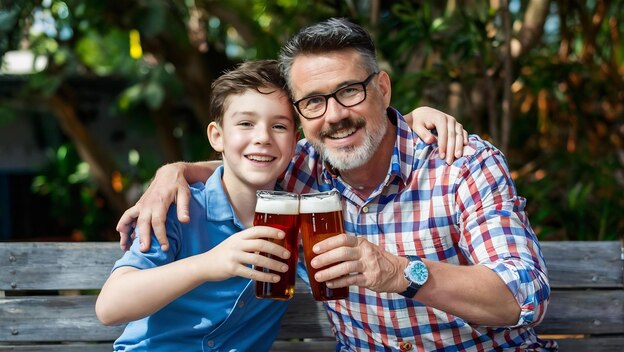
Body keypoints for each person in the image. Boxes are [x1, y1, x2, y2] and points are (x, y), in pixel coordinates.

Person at [117, 18, 555, 351]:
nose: (333, 115)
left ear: (382, 88)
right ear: (301, 117)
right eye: (313, 102)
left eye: (350, 91)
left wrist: (401, 273)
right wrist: (171, 171)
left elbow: (523, 297)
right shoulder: (300, 168)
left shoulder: (459, 165)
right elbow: (245, 159)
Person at [96, 60, 303, 351]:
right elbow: (109, 307)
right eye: (245, 123)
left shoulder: (303, 217)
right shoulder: (180, 208)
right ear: (217, 136)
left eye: (279, 126)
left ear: (295, 142)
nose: (263, 138)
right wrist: (209, 264)